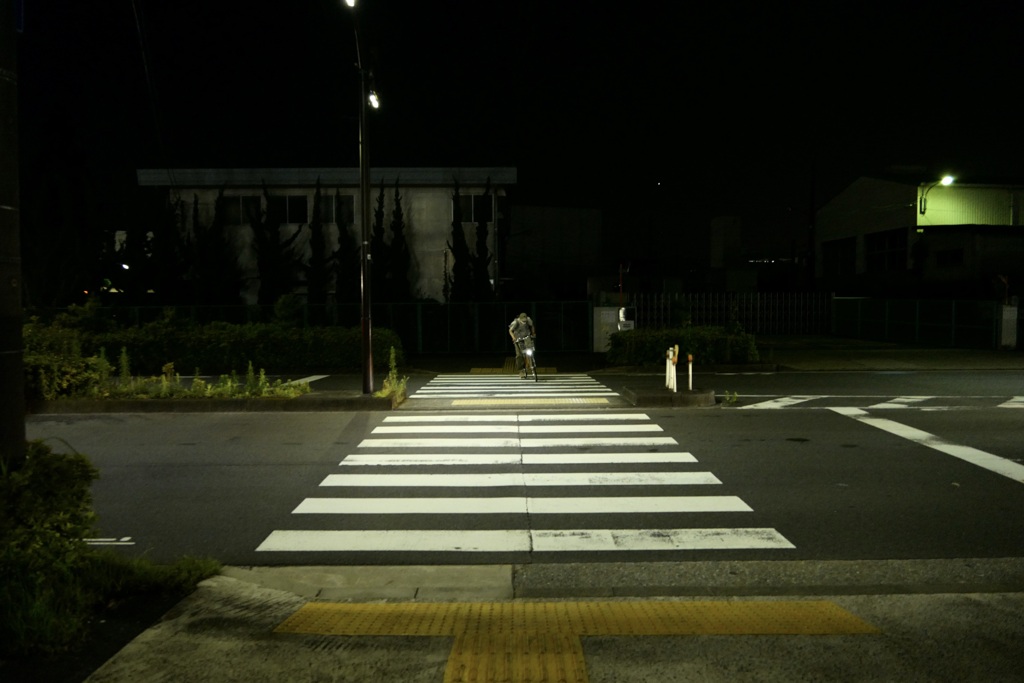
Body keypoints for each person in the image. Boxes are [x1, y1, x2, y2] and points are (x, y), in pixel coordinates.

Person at [508, 312, 536, 378]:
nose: (524, 322)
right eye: (523, 321)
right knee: (519, 355)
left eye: (525, 320)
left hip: (526, 337)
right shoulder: (516, 322)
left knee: (530, 350)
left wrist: (533, 333)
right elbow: (510, 330)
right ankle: (521, 370)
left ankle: (532, 365)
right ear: (520, 319)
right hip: (518, 338)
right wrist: (514, 338)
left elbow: (532, 326)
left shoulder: (528, 320)